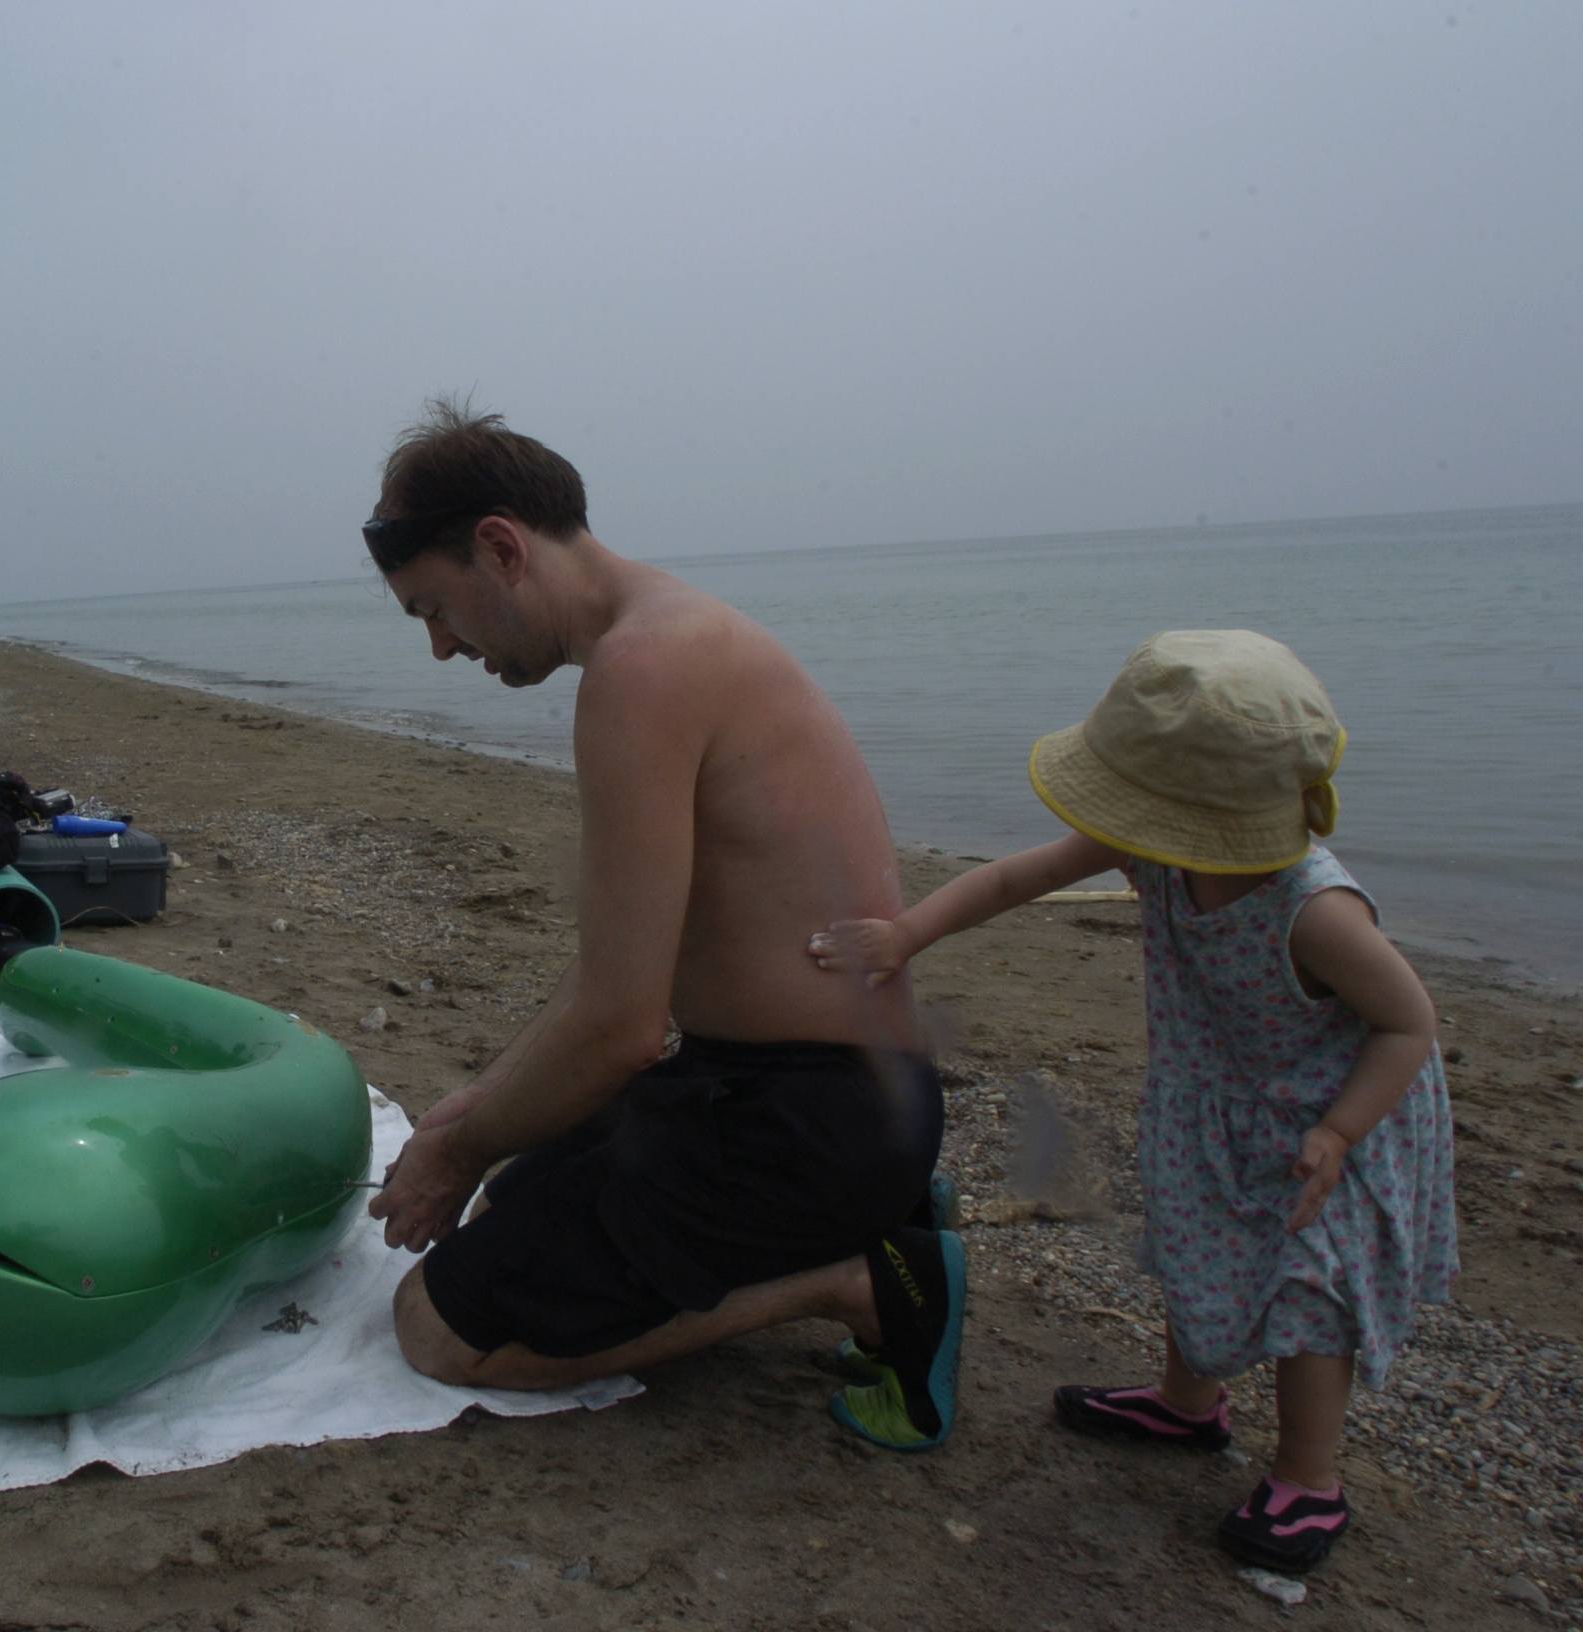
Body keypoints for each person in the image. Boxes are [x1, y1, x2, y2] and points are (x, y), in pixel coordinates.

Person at [360, 399, 964, 1451]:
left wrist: (456, 1153)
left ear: (500, 548)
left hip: (811, 1118)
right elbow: (614, 974)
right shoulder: (670, 636)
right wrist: (479, 1112)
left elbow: (622, 1028)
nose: (442, 648)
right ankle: (869, 1211)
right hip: (799, 1089)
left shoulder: (642, 672)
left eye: (435, 609)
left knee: (437, 1329)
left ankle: (859, 1279)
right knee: (503, 1207)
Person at [807, 629, 1457, 1571]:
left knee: (1310, 1291)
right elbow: (1015, 877)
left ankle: (1310, 1480)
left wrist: (1341, 1130)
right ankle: (1187, 1406)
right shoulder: (1156, 846)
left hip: (1335, 1110)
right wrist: (907, 935)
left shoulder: (1317, 911)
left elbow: (1410, 1023)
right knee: (1196, 1238)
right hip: (1220, 1091)